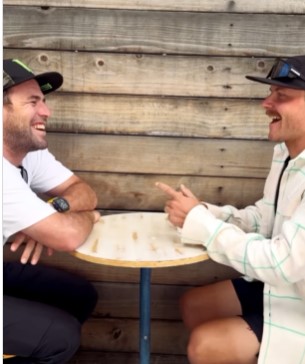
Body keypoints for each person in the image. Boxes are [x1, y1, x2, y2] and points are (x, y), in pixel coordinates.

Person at [156, 55, 305, 364]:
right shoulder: (286, 155)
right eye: (270, 94)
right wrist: (205, 214)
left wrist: (202, 225)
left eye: (282, 97)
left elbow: (282, 263)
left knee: (206, 346)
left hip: (297, 298)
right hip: (287, 288)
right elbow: (265, 219)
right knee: (195, 305)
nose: (267, 103)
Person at [3, 58, 101, 363]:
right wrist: (79, 218)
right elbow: (70, 236)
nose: (46, 111)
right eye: (32, 102)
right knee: (60, 337)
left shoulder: (27, 151)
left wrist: (56, 208)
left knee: (78, 295)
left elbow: (85, 192)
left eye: (44, 101)